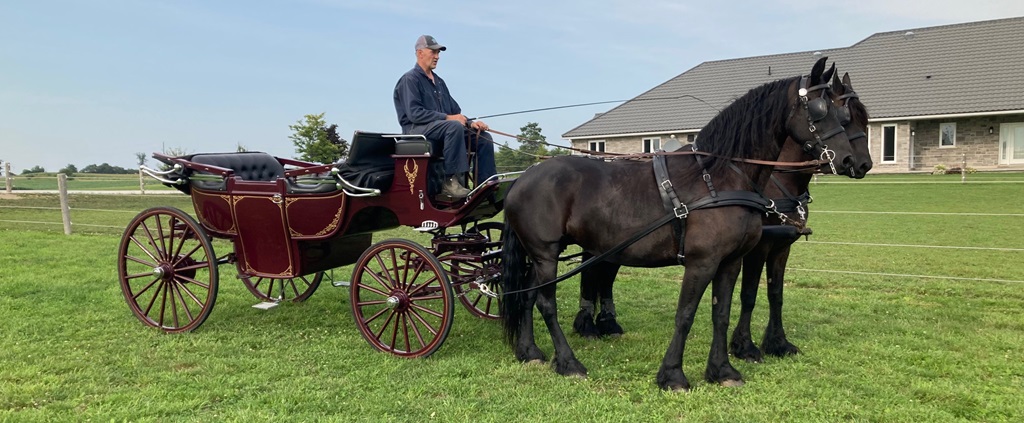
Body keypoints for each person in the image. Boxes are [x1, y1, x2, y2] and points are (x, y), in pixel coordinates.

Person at [393, 34, 497, 199]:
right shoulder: (409, 80)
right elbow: (415, 114)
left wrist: (471, 124)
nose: (437, 56)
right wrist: (450, 119)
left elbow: (455, 111)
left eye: (438, 53)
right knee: (453, 126)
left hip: (442, 128)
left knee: (484, 138)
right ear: (420, 53)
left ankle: (486, 185)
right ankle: (450, 182)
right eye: (433, 52)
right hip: (416, 130)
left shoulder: (439, 82)